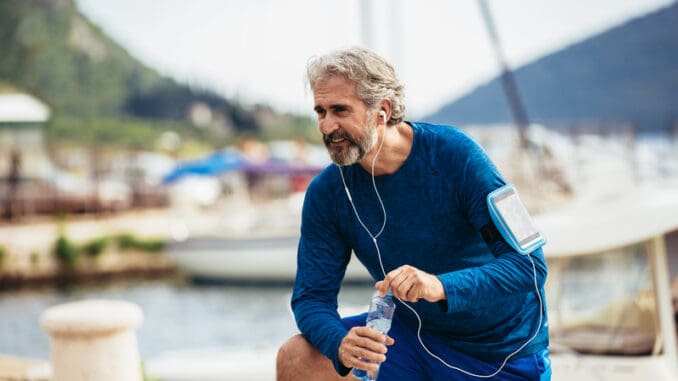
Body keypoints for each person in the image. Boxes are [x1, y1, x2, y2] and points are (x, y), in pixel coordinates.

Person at [276, 46, 551, 380]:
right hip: (407, 341)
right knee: (297, 357)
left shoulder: (457, 156)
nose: (327, 125)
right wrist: (339, 343)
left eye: (340, 110)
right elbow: (311, 298)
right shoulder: (327, 192)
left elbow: (530, 266)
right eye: (320, 112)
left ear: (381, 110)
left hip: (498, 352)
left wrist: (439, 285)